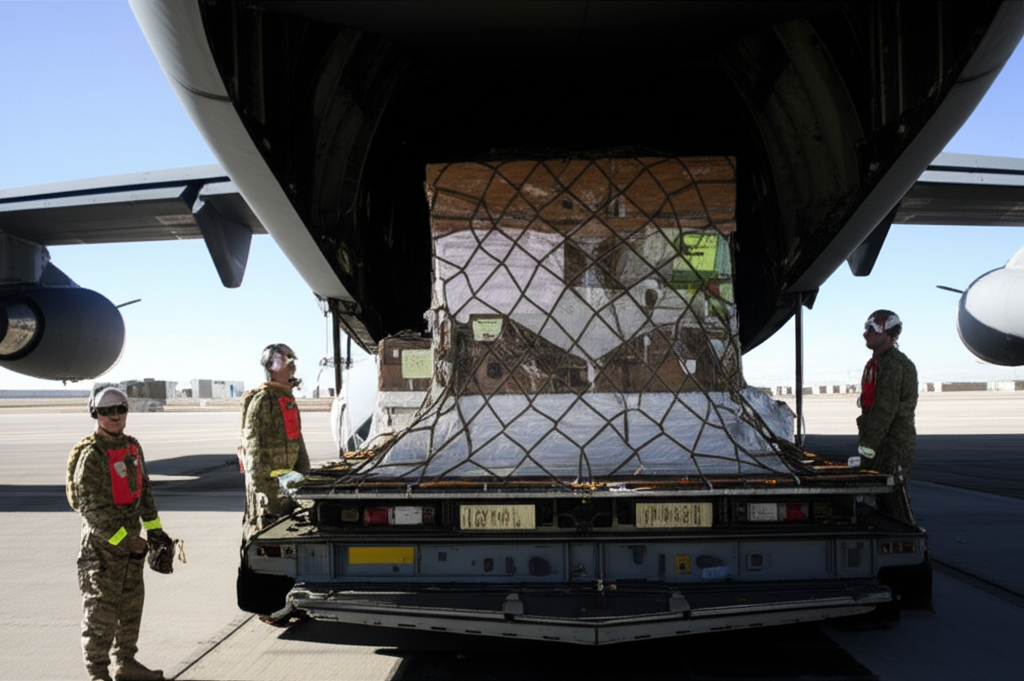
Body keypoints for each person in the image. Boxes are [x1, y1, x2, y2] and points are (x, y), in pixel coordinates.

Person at [66, 387, 166, 681]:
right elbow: (92, 512)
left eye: (119, 409)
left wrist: (156, 533)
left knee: (131, 607)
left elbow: (144, 492)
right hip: (102, 550)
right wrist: (126, 539)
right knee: (100, 613)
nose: (113, 416)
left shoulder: (132, 447)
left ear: (126, 411)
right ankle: (98, 674)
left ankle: (126, 663)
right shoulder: (91, 455)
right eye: (105, 411)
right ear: (95, 414)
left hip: (132, 550)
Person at [239, 344, 311, 537]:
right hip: (271, 498)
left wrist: (305, 482)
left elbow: (297, 442)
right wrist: (266, 496)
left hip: (289, 491)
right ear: (271, 367)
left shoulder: (287, 401)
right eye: (284, 360)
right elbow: (252, 454)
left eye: (291, 359)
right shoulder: (262, 401)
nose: (291, 364)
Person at [856, 310, 919, 524]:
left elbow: (884, 411)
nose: (865, 334)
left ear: (888, 334)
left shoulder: (893, 365)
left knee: (894, 504)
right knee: (883, 502)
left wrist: (866, 451)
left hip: (892, 446)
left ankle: (908, 548)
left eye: (872, 329)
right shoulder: (878, 363)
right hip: (881, 442)